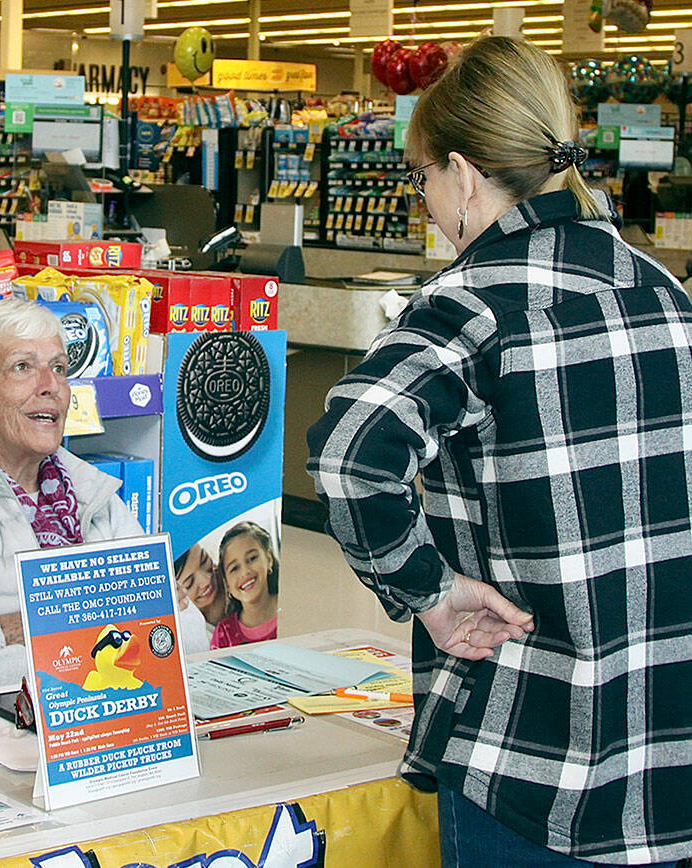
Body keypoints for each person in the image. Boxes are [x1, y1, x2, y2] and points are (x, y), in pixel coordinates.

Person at [307, 36, 692, 866]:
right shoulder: (661, 291)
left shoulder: (470, 306)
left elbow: (348, 453)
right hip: (666, 754)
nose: (428, 205)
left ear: (464, 173)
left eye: (423, 183)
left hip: (524, 751)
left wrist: (430, 592)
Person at [0, 299, 207, 699]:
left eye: (60, 368)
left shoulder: (91, 491)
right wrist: (125, 618)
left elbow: (191, 637)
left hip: (96, 729)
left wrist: (25, 624)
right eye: (23, 367)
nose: (51, 385)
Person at [209, 522, 279, 649]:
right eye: (234, 568)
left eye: (252, 558)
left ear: (269, 559)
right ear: (227, 585)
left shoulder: (291, 607)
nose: (245, 571)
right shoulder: (224, 633)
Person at [174, 544, 228, 642]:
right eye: (189, 583)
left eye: (204, 561)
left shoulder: (235, 578)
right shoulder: (186, 633)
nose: (206, 580)